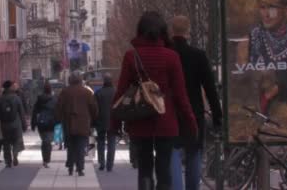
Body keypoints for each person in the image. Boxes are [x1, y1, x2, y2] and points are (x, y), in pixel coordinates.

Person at [111, 11, 197, 190]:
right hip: (165, 120)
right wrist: (191, 122)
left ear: (140, 31)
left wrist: (115, 122)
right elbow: (181, 95)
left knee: (144, 168)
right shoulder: (171, 57)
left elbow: (121, 92)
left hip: (139, 119)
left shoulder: (131, 56)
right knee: (164, 168)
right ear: (163, 32)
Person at [242, 0, 287, 129]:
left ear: (285, 10)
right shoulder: (255, 36)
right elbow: (247, 65)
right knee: (284, 70)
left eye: (272, 8)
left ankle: (269, 95)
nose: (266, 14)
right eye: (262, 8)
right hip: (267, 74)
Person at [169, 15, 223, 190]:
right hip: (194, 112)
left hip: (171, 112)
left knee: (173, 152)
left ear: (172, 30)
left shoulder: (167, 53)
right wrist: (217, 116)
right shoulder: (198, 55)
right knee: (194, 153)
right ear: (188, 31)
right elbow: (210, 88)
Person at [55, 72, 98, 176]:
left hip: (68, 123)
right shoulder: (87, 92)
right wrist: (93, 120)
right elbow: (94, 108)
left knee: (70, 146)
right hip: (83, 123)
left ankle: (70, 166)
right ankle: (80, 168)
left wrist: (58, 119)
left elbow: (58, 107)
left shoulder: (65, 92)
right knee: (81, 146)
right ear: (80, 80)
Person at [0, 80, 27, 168]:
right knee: (16, 140)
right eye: (12, 85)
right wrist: (24, 125)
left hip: (4, 125)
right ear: (9, 87)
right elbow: (21, 112)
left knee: (6, 143)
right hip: (15, 124)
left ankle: (8, 161)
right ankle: (15, 153)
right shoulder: (16, 98)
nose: (13, 87)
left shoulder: (0, 99)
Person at [31, 81, 57, 168]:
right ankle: (47, 159)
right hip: (50, 123)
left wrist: (33, 124)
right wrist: (58, 122)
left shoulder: (39, 99)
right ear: (51, 90)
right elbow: (57, 112)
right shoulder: (54, 99)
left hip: (41, 123)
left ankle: (44, 159)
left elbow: (35, 112)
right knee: (48, 141)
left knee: (44, 141)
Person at [94, 74, 117, 172]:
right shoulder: (116, 92)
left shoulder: (98, 93)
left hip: (100, 121)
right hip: (113, 121)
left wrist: (94, 122)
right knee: (112, 143)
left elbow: (94, 109)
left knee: (100, 142)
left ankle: (102, 163)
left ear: (104, 81)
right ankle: (110, 165)